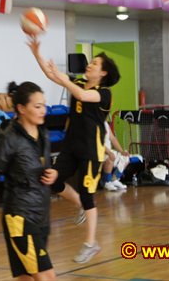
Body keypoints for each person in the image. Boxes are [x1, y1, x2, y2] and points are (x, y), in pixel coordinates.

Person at [29, 39, 120, 264]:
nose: (89, 65)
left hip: (91, 151)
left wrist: (63, 79)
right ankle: (80, 204)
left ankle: (90, 243)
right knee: (52, 180)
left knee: (88, 194)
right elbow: (51, 74)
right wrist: (37, 53)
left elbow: (82, 96)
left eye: (95, 63)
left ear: (103, 73)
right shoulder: (78, 82)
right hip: (70, 146)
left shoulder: (104, 94)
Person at [0, 81, 57, 281]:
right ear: (21, 109)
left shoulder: (44, 133)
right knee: (47, 277)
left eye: (44, 105)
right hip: (20, 216)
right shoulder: (9, 139)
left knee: (26, 277)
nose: (43, 110)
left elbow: (43, 166)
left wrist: (53, 174)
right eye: (37, 106)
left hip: (42, 214)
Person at [102, 124, 130, 192]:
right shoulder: (95, 123)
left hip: (108, 151)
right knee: (110, 158)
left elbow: (113, 139)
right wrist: (109, 152)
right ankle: (107, 182)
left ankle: (114, 180)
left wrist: (122, 151)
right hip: (99, 152)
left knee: (125, 158)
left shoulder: (105, 124)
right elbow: (98, 143)